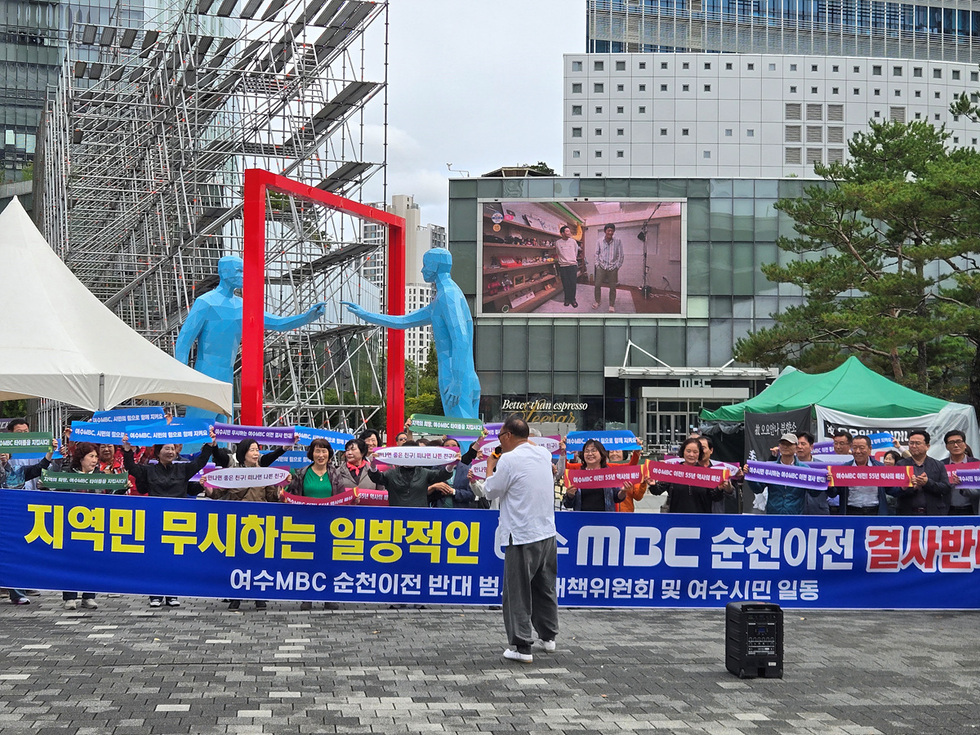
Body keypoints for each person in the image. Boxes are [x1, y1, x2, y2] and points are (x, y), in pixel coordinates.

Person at [174, 255, 326, 422]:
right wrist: (183, 378)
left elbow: (278, 323)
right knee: (197, 430)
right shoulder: (206, 302)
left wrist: (307, 317)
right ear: (224, 273)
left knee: (224, 436)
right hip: (206, 374)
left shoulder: (242, 305)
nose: (243, 276)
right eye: (239, 271)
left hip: (226, 376)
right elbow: (184, 340)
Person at [343, 247, 480, 418]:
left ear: (436, 266)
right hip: (465, 375)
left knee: (461, 436)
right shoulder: (446, 296)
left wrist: (457, 382)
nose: (422, 270)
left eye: (425, 265)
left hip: (455, 376)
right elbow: (403, 321)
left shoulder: (448, 295)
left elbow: (461, 339)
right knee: (469, 436)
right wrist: (365, 314)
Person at [483, 416, 558, 664]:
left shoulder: (509, 459)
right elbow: (534, 449)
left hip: (522, 534)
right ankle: (548, 638)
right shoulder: (543, 455)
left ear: (506, 436)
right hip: (546, 532)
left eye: (500, 438)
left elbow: (490, 490)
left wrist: (490, 466)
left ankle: (521, 646)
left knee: (517, 592)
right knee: (544, 587)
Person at [122, 428, 216, 608]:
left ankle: (173, 593)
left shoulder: (183, 469)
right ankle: (155, 594)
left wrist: (209, 444)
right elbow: (132, 468)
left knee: (175, 558)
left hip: (177, 520)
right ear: (158, 452)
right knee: (155, 558)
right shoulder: (149, 470)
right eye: (167, 448)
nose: (170, 451)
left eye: (173, 448)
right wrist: (127, 450)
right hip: (155, 519)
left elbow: (200, 462)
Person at [211, 439, 288, 611]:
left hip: (260, 522)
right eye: (252, 450)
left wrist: (279, 490)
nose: (256, 453)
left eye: (257, 450)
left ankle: (258, 595)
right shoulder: (233, 473)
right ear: (243, 453)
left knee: (259, 559)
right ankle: (235, 596)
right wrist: (206, 487)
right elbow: (217, 493)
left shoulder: (266, 473)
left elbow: (272, 498)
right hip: (237, 522)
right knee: (238, 559)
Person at [2, 418, 57, 605]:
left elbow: (37, 469)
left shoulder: (15, 471)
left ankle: (17, 591)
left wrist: (49, 454)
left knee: (14, 551)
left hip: (13, 516)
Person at [60, 442, 117, 609]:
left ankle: (89, 595)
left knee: (92, 561)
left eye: (96, 457)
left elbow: (111, 496)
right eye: (91, 456)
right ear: (81, 458)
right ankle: (70, 597)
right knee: (71, 561)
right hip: (71, 524)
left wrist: (121, 488)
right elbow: (57, 494)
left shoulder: (101, 476)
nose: (95, 460)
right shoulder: (68, 475)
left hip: (95, 524)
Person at [744, 433, 822, 515]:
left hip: (795, 516)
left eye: (789, 444)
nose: (785, 446)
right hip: (773, 515)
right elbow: (758, 489)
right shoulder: (770, 467)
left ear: (796, 447)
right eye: (783, 444)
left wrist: (822, 481)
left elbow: (814, 493)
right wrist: (750, 476)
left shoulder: (804, 469)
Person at [367, 441, 455, 507]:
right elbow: (377, 478)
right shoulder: (392, 473)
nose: (410, 458)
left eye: (413, 455)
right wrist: (373, 465)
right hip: (396, 517)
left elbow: (442, 474)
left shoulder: (424, 472)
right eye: (407, 455)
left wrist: (451, 465)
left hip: (419, 517)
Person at [651, 438, 720, 514]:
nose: (691, 455)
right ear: (683, 451)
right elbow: (657, 491)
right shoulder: (673, 471)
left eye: (695, 452)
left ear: (700, 453)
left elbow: (716, 497)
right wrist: (653, 484)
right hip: (676, 519)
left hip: (701, 519)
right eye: (688, 451)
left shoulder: (705, 473)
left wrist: (720, 488)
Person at [896, 430, 951, 515]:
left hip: (933, 514)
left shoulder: (938, 465)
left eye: (917, 443)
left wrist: (927, 483)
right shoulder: (901, 464)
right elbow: (894, 490)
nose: (914, 446)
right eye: (911, 443)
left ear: (927, 446)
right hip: (907, 513)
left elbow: (946, 488)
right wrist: (910, 487)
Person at [562, 439, 626, 511]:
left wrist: (623, 491)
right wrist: (570, 495)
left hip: (605, 519)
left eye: (593, 451)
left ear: (601, 454)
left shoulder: (609, 473)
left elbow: (617, 497)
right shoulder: (577, 475)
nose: (590, 454)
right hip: (582, 518)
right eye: (587, 451)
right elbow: (567, 504)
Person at [838, 435, 891, 515]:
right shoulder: (844, 468)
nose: (858, 451)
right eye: (854, 448)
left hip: (875, 512)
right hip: (851, 512)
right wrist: (830, 484)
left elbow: (891, 489)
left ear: (870, 449)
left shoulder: (880, 468)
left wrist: (904, 486)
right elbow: (833, 492)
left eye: (861, 448)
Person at [942, 430, 978, 515]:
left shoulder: (976, 464)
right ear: (946, 446)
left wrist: (964, 484)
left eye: (959, 441)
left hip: (972, 509)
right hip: (948, 510)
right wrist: (949, 483)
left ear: (965, 445)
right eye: (951, 442)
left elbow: (978, 491)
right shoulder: (941, 465)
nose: (955, 445)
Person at [591, 223, 624, 313]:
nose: (610, 232)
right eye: (608, 230)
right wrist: (597, 264)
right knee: (597, 285)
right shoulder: (599, 241)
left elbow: (621, 255)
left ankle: (611, 305)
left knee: (612, 287)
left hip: (613, 267)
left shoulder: (618, 241)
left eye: (612, 231)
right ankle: (597, 301)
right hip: (601, 267)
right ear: (605, 231)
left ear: (614, 231)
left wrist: (617, 266)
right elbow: (596, 254)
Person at [555, 225, 582, 307]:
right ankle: (567, 299)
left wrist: (571, 259)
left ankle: (573, 299)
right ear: (562, 233)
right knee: (565, 283)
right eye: (567, 231)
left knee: (573, 283)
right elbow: (558, 253)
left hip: (572, 265)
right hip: (563, 266)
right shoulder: (558, 243)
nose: (569, 233)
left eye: (569, 231)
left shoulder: (573, 242)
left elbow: (575, 252)